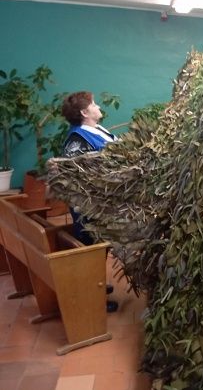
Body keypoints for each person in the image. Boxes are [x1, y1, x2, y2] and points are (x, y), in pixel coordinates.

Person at [61, 91, 119, 312]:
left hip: (104, 202)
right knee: (91, 248)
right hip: (89, 207)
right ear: (85, 112)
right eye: (94, 104)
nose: (98, 107)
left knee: (100, 247)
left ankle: (96, 285)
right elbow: (80, 176)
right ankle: (91, 300)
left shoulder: (97, 129)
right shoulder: (76, 140)